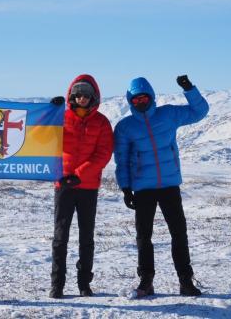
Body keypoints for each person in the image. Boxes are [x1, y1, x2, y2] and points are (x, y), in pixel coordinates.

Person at [114, 75, 209, 298]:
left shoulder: (169, 115)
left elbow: (199, 112)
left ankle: (185, 281)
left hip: (169, 185)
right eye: (136, 100)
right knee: (144, 236)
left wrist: (190, 89)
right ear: (130, 101)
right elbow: (122, 159)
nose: (141, 102)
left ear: (152, 97)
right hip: (143, 188)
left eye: (144, 98)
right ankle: (146, 281)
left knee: (179, 233)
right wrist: (126, 188)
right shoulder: (125, 127)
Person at [49, 74, 114, 298]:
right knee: (60, 237)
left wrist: (79, 175)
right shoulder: (59, 118)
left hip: (87, 187)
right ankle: (57, 285)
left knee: (86, 238)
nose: (82, 98)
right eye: (78, 94)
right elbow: (41, 138)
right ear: (71, 96)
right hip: (63, 186)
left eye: (86, 94)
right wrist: (51, 111)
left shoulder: (102, 122)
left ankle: (84, 284)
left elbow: (103, 154)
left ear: (93, 96)